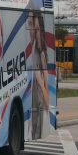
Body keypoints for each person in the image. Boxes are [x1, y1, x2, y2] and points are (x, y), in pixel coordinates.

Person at [27, 9, 50, 140]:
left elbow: (47, 103)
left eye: (33, 26)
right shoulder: (28, 52)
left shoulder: (41, 55)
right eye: (29, 24)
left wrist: (40, 82)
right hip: (31, 111)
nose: (30, 29)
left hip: (38, 108)